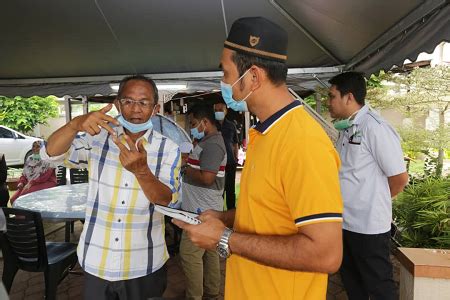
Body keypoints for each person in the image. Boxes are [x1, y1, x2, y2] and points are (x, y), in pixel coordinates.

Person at [173, 17, 343, 299]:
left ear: (253, 76)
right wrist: (223, 218)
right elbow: (271, 213)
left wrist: (225, 239)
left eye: (226, 73)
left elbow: (326, 254)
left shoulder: (302, 142)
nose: (224, 83)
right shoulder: (265, 134)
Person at [41, 75, 181, 300]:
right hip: (97, 260)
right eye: (128, 101)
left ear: (155, 108)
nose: (136, 109)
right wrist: (75, 124)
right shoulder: (95, 138)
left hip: (143, 263)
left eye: (144, 102)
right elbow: (49, 154)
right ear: (117, 104)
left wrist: (142, 172)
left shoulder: (169, 149)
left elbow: (169, 201)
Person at [327, 72, 408, 300]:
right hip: (346, 223)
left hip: (369, 227)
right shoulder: (346, 128)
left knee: (379, 286)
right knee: (352, 282)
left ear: (348, 97)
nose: (328, 103)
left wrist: (374, 202)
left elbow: (399, 178)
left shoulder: (375, 128)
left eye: (332, 97)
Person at [179, 104, 226, 300]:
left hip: (200, 211)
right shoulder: (207, 141)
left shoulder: (213, 144)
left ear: (205, 122)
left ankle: (194, 296)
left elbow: (207, 178)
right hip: (203, 207)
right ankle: (211, 291)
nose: (192, 127)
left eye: (194, 124)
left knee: (189, 254)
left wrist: (184, 166)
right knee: (210, 251)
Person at [214, 102, 239, 210]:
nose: (218, 112)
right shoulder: (212, 125)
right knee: (219, 190)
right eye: (216, 110)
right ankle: (219, 212)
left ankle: (231, 214)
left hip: (230, 162)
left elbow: (235, 143)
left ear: (226, 111)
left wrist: (236, 157)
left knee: (230, 190)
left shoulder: (231, 125)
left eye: (221, 109)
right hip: (216, 163)